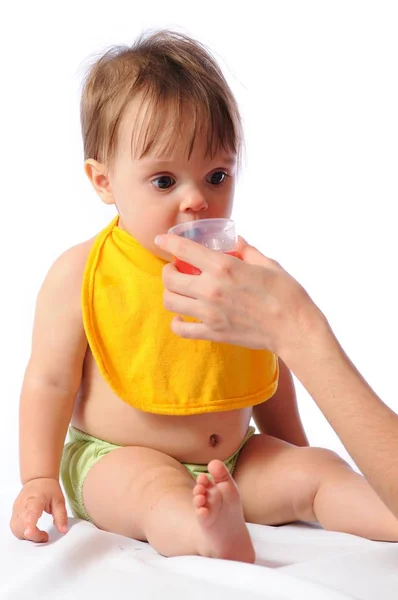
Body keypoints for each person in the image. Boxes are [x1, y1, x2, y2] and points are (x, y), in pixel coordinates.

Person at [10, 30, 398, 563]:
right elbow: (48, 380)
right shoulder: (82, 272)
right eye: (165, 180)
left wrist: (294, 448)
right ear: (103, 182)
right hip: (117, 458)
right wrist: (37, 475)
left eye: (216, 175)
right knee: (155, 494)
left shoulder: (233, 272)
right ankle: (206, 537)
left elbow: (270, 360)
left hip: (235, 459)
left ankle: (387, 513)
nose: (197, 200)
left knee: (320, 471)